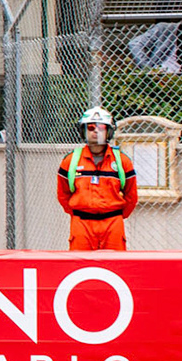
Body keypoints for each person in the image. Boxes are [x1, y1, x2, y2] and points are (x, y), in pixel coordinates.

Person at [55, 106, 137, 252]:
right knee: (80, 266)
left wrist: (115, 215)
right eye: (91, 127)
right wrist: (80, 212)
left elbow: (131, 196)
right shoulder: (71, 161)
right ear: (83, 131)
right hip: (81, 225)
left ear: (109, 131)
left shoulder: (122, 162)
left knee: (114, 267)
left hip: (113, 224)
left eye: (101, 127)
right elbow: (63, 194)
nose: (96, 131)